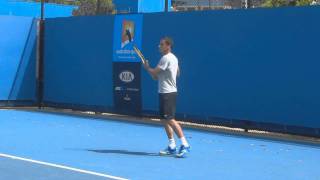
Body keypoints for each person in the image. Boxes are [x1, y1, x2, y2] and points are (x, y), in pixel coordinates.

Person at [142, 37, 190, 158]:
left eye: (162, 44)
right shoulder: (174, 58)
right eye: (159, 44)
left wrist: (147, 67)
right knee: (165, 120)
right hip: (166, 92)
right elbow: (175, 73)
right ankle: (172, 146)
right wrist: (163, 75)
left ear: (168, 46)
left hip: (168, 93)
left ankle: (185, 144)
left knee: (170, 119)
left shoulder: (165, 58)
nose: (159, 46)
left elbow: (154, 73)